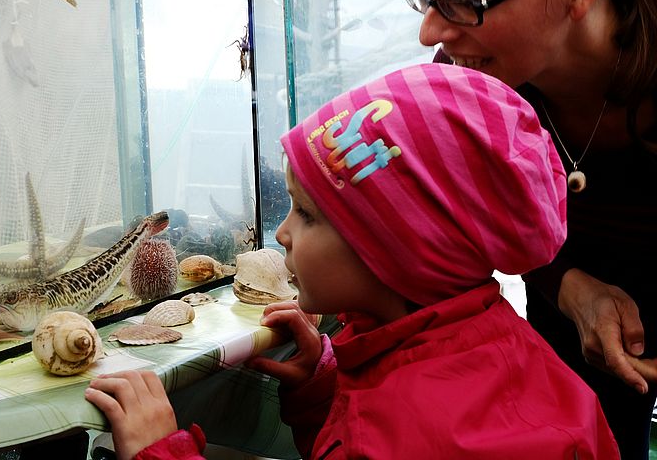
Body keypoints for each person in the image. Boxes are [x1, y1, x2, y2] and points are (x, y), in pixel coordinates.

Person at [85, 64, 619, 459]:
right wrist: (324, 392)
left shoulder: (413, 435)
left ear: (399, 250)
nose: (282, 232)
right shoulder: (493, 349)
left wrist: (162, 453)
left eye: (308, 214)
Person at [399, 0, 657, 457]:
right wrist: (568, 287)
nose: (430, 33)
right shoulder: (466, 79)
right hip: (572, 330)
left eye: (467, 1)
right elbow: (489, 213)